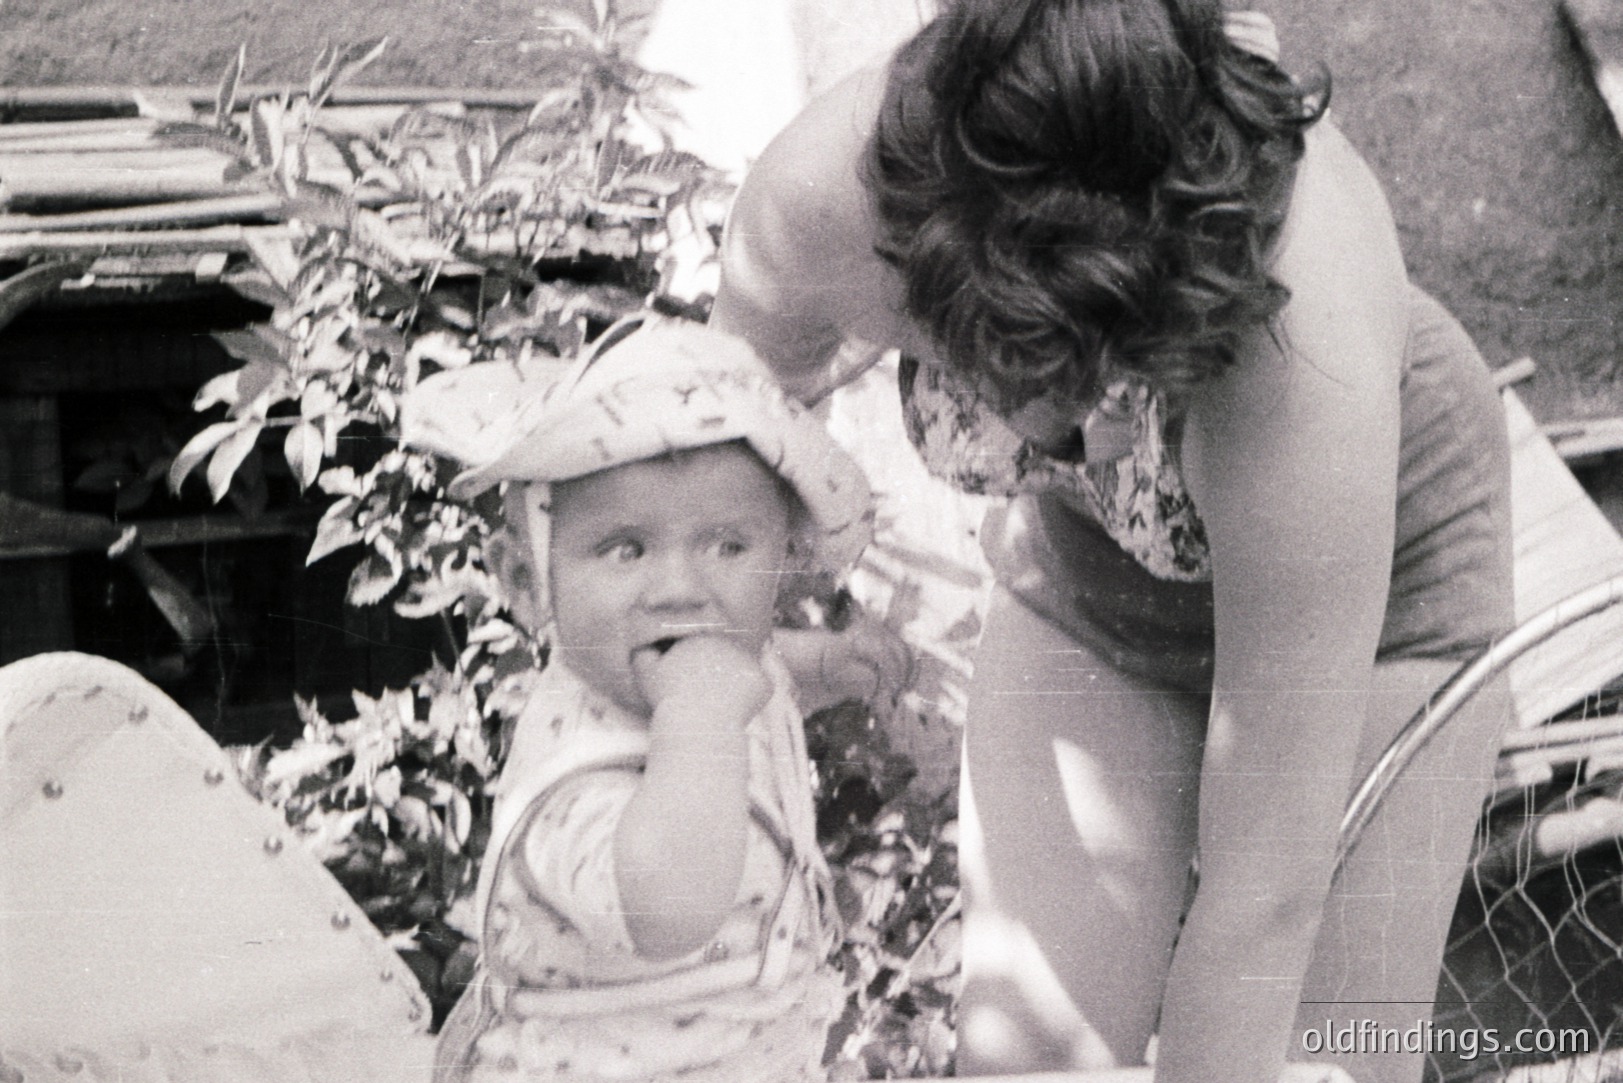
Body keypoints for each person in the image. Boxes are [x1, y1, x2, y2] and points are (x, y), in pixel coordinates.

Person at [708, 4, 1515, 1083]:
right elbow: (700, 468)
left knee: (1328, 1059)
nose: (1090, 434)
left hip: (1380, 595)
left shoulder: (1300, 339)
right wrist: (748, 669)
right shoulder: (822, 205)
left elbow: (1264, 893)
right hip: (1100, 574)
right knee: (1026, 1063)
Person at [401, 319, 906, 1082]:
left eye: (726, 545)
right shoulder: (578, 777)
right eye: (625, 548)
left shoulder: (711, 666)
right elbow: (669, 909)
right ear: (524, 579)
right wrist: (697, 717)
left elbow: (759, 676)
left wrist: (826, 665)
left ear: (783, 560)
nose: (680, 588)